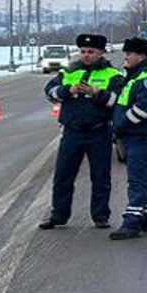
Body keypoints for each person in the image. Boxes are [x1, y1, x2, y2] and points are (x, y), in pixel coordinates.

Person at [39, 33, 125, 230]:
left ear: (101, 53)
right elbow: (50, 92)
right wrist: (67, 90)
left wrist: (97, 94)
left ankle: (100, 216)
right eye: (83, 51)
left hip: (98, 132)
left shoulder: (113, 75)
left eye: (91, 52)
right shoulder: (69, 72)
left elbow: (118, 101)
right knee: (63, 176)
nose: (86, 55)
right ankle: (58, 215)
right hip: (72, 132)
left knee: (100, 177)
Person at [109, 35, 147, 241]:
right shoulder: (138, 75)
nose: (125, 57)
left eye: (129, 53)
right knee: (146, 178)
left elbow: (146, 107)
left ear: (142, 55)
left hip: (142, 136)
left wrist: (122, 124)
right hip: (141, 135)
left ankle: (132, 222)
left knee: (137, 180)